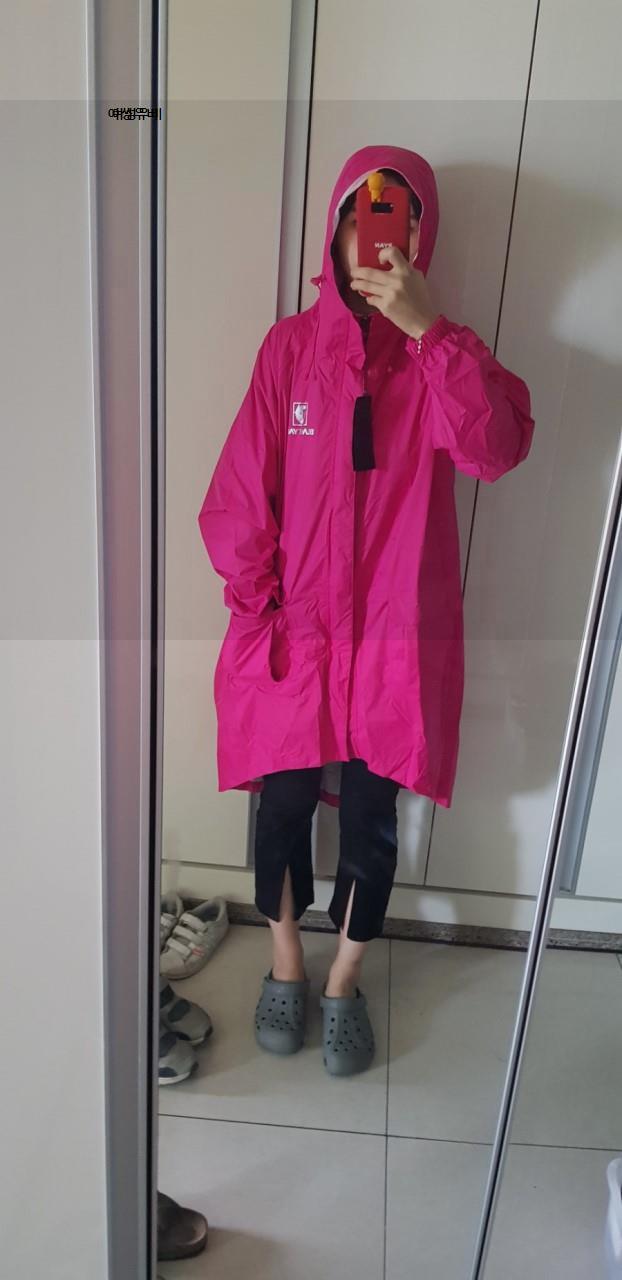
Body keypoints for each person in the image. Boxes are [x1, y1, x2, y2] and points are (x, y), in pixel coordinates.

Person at [197, 145, 535, 1076]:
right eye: (362, 214)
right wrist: (258, 605)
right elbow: (238, 495)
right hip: (295, 635)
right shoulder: (290, 350)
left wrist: (429, 334)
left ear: (422, 240)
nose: (377, 236)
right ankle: (285, 960)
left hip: (392, 644)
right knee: (282, 807)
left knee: (372, 819)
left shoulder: (441, 357)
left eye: (400, 219)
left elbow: (498, 450)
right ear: (337, 229)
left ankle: (345, 976)